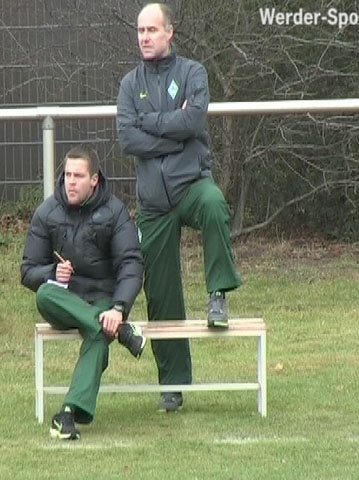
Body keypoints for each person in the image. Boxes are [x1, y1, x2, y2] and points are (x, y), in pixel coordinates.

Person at [116, 3, 242, 412]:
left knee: (214, 203)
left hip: (191, 186)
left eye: (152, 30)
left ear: (170, 33)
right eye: (140, 31)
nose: (145, 37)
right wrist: (173, 130)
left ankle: (218, 293)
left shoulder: (193, 73)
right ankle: (173, 386)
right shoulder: (129, 84)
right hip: (153, 203)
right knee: (161, 295)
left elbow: (194, 122)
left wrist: (151, 122)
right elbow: (128, 139)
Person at [21, 146, 145, 440]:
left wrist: (118, 308)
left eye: (78, 176)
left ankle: (67, 414)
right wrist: (53, 272)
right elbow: (27, 271)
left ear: (94, 180)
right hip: (64, 301)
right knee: (44, 294)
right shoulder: (47, 212)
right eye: (67, 175)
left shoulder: (115, 212)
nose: (71, 182)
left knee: (99, 334)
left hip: (103, 299)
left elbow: (131, 264)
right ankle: (121, 331)